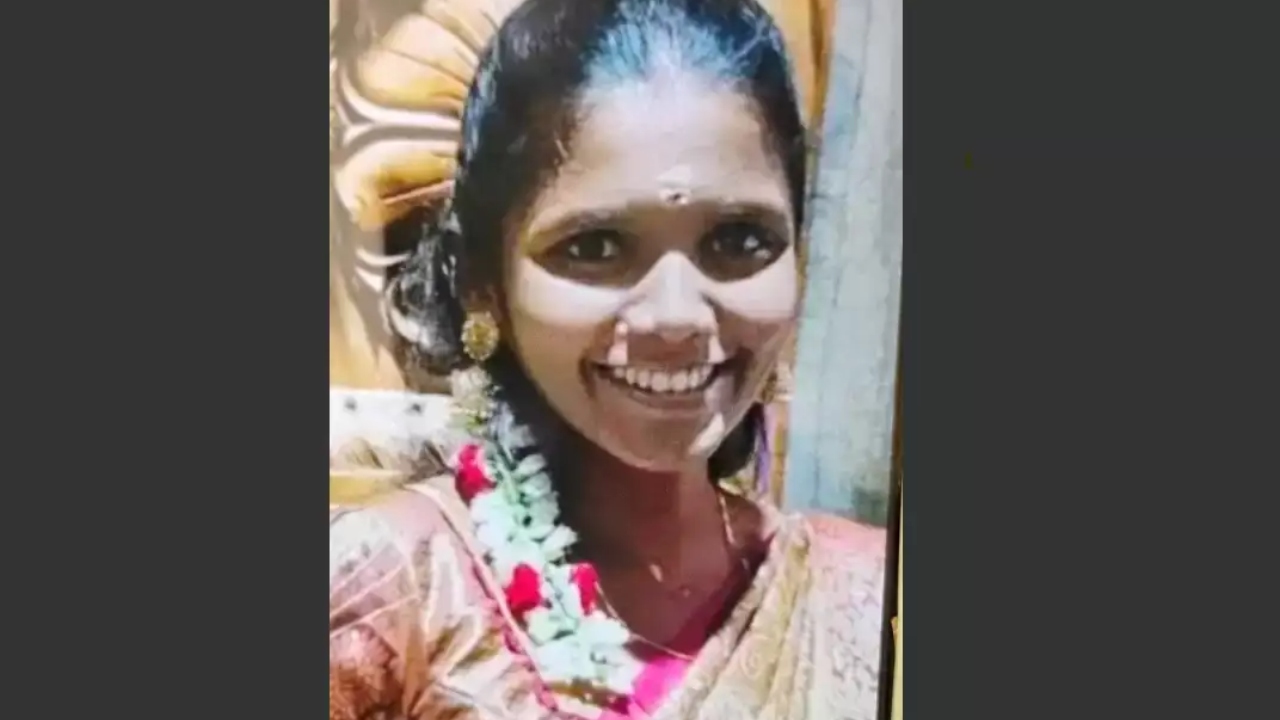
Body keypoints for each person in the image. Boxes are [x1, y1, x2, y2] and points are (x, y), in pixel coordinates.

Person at [329, 0, 888, 718]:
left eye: (740, 239)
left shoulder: (865, 592)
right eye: (594, 246)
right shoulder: (390, 592)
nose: (677, 318)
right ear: (481, 282)